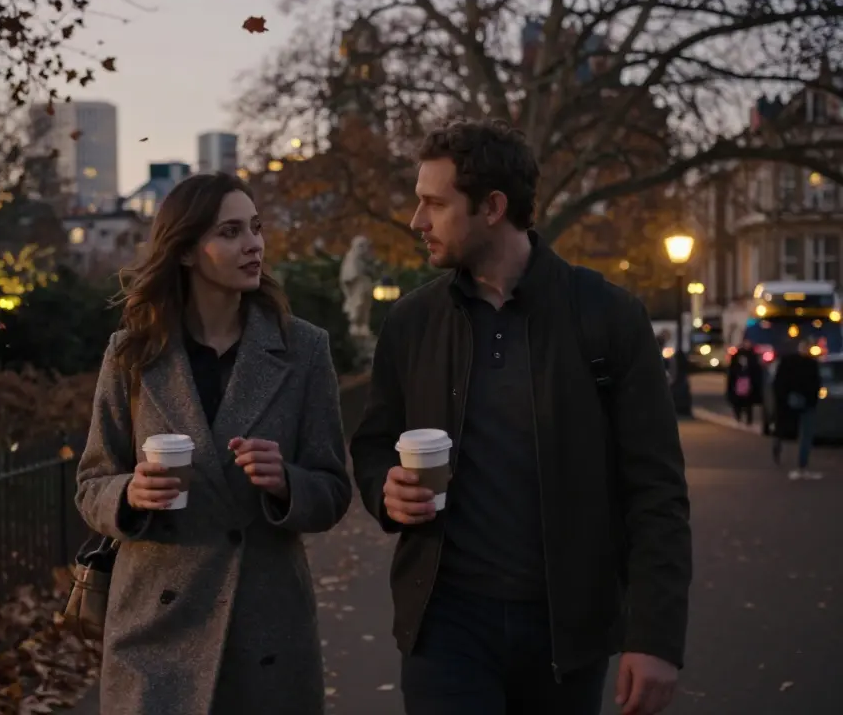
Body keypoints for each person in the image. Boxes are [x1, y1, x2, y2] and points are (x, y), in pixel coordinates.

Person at [350, 119, 692, 715]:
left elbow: (656, 490)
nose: (416, 221)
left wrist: (655, 637)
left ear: (492, 207)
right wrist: (387, 490)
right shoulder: (412, 322)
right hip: (445, 626)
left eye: (434, 203)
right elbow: (375, 441)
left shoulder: (608, 316)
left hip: (567, 631)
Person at [74, 172, 353, 715]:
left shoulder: (304, 350)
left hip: (265, 631)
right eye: (229, 232)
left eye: (255, 227)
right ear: (184, 251)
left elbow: (333, 491)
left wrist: (286, 483)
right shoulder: (132, 354)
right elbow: (91, 485)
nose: (253, 244)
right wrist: (130, 494)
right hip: (154, 630)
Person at [771, 338, 823, 480]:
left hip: (789, 402)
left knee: (786, 428)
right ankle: (802, 465)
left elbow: (778, 383)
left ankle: (779, 444)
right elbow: (816, 384)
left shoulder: (787, 362)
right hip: (807, 403)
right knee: (806, 434)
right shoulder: (812, 364)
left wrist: (782, 399)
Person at [726, 340, 763, 426]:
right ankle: (739, 416)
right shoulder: (737, 355)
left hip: (748, 381)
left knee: (748, 402)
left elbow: (755, 370)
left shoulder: (751, 356)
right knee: (738, 401)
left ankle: (748, 419)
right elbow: (732, 370)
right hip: (739, 381)